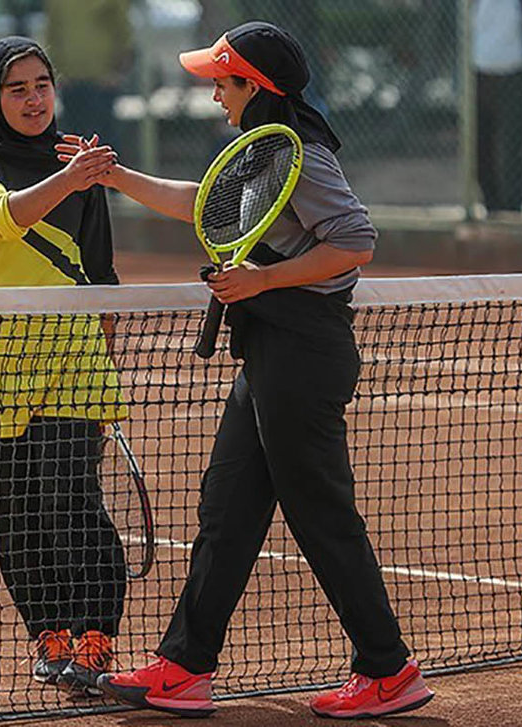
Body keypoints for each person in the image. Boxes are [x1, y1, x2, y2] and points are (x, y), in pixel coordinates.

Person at [67, 22, 434, 719]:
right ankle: (183, 666)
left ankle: (388, 668)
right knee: (228, 509)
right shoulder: (260, 153)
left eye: (221, 81)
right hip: (269, 349)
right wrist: (111, 174)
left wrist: (264, 283)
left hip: (303, 351)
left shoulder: (303, 154)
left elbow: (356, 241)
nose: (213, 96)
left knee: (320, 513)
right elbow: (197, 202)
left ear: (253, 86)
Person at [0, 36, 126, 698]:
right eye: (17, 88)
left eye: (42, 84)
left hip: (71, 358)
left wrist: (107, 362)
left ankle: (94, 636)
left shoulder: (78, 164)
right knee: (15, 511)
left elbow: (101, 273)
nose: (34, 98)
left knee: (69, 499)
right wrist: (72, 177)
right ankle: (50, 632)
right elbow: (0, 219)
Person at [44, 0, 132, 151]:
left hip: (102, 82)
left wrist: (116, 73)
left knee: (104, 141)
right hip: (70, 81)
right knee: (72, 140)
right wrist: (56, 74)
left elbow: (124, 34)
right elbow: (52, 34)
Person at [473, 0, 522, 215]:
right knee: (481, 141)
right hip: (479, 69)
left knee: (512, 142)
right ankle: (491, 202)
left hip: (514, 67)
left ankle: (512, 206)